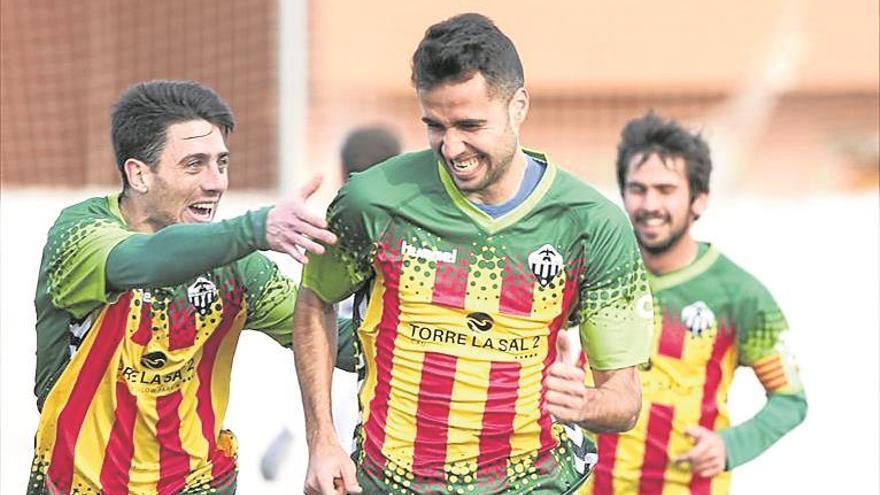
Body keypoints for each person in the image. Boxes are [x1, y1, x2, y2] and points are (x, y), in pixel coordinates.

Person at [293, 13, 654, 495]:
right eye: (435, 125)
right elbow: (314, 299)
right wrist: (322, 440)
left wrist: (584, 403)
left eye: (470, 125)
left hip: (532, 482)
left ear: (518, 105)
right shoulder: (372, 200)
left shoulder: (592, 224)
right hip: (390, 481)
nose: (452, 146)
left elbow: (624, 400)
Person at [27, 80, 355, 495]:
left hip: (199, 484)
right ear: (139, 174)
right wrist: (257, 228)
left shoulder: (238, 269)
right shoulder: (80, 236)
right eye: (194, 164)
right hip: (77, 483)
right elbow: (143, 261)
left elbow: (332, 340)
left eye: (222, 163)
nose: (216, 182)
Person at [580, 112, 807, 495]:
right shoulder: (591, 271)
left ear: (699, 199)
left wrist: (728, 445)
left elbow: (791, 399)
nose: (649, 204)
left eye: (666, 190)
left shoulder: (740, 294)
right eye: (638, 189)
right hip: (588, 486)